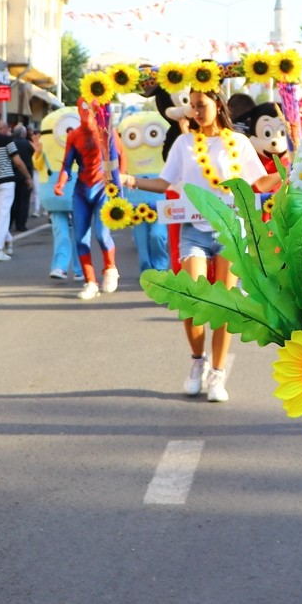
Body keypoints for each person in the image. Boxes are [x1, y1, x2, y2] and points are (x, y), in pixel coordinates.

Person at [122, 86, 280, 402]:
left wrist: (290, 171)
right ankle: (198, 362)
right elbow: (165, 183)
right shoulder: (183, 143)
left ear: (218, 105)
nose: (196, 111)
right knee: (191, 301)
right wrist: (131, 180)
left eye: (201, 104)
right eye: (192, 105)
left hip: (230, 234)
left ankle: (217, 376)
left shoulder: (239, 143)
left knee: (223, 306)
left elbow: (260, 183)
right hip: (194, 231)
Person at [55, 100, 123, 300]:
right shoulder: (74, 136)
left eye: (90, 109)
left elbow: (120, 156)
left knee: (102, 234)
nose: (86, 113)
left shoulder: (108, 132)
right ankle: (90, 281)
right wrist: (61, 182)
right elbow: (67, 165)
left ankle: (110, 268)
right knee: (80, 238)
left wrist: (119, 183)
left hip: (103, 188)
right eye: (83, 109)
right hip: (82, 190)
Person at [0, 113, 31, 261]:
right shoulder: (6, 139)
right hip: (7, 179)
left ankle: (8, 241)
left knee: (1, 213)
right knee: (3, 214)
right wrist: (28, 177)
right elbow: (17, 161)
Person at [10, 122, 34, 232]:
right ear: (24, 134)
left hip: (13, 173)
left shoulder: (11, 144)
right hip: (26, 174)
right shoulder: (28, 144)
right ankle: (21, 224)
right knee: (24, 200)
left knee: (13, 200)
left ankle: (10, 223)